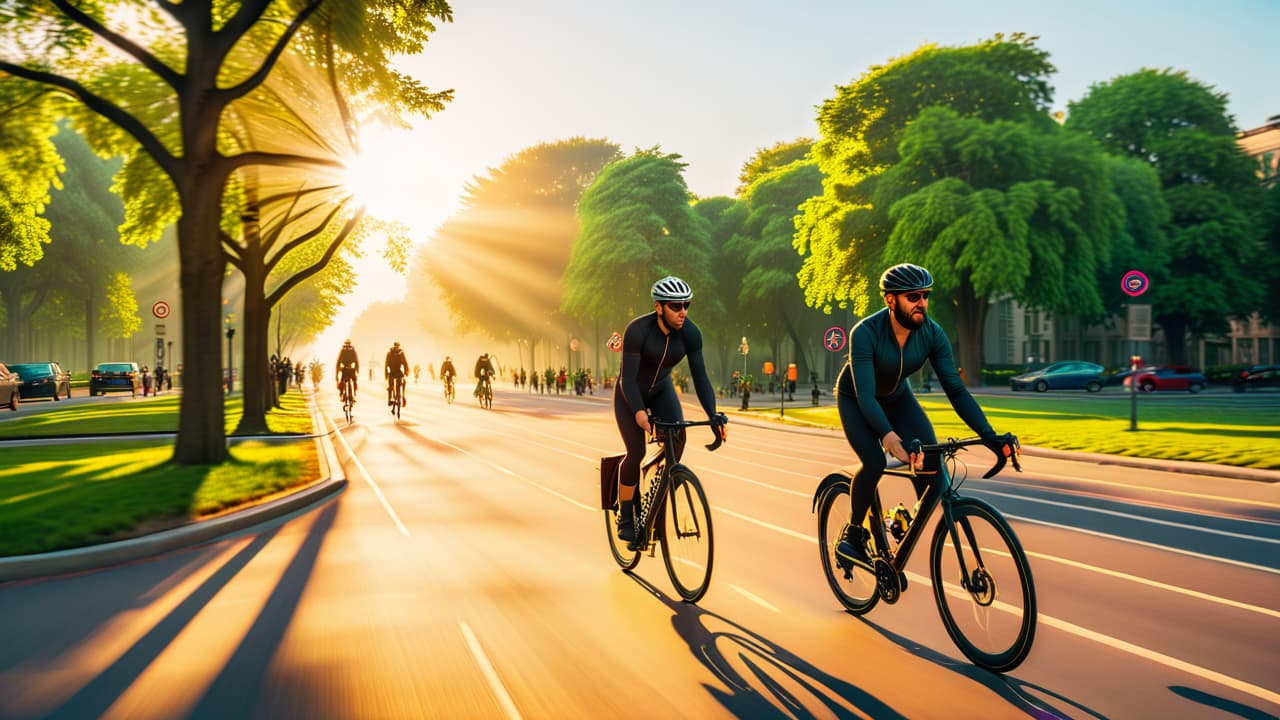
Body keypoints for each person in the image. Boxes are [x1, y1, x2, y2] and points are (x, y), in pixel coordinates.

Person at [835, 263, 1014, 569]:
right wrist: (889, 437)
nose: (922, 303)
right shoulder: (865, 332)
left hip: (898, 398)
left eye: (926, 295)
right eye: (913, 296)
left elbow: (956, 391)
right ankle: (852, 535)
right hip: (857, 400)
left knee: (933, 468)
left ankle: (900, 523)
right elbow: (866, 396)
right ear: (891, 300)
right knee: (876, 461)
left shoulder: (932, 333)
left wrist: (990, 436)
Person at [613, 276, 725, 543]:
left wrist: (713, 416)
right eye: (676, 306)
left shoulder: (690, 333)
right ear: (659, 307)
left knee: (678, 436)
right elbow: (628, 379)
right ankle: (626, 516)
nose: (683, 311)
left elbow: (700, 378)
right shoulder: (637, 330)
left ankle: (665, 478)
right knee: (636, 451)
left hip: (662, 390)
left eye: (686, 304)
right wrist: (639, 412)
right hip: (631, 393)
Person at [385, 341, 409, 410]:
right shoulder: (401, 353)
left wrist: (386, 374)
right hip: (398, 372)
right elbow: (405, 363)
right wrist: (406, 373)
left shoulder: (389, 353)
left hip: (392, 372)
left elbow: (386, 365)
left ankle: (390, 399)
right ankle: (402, 396)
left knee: (390, 385)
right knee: (401, 383)